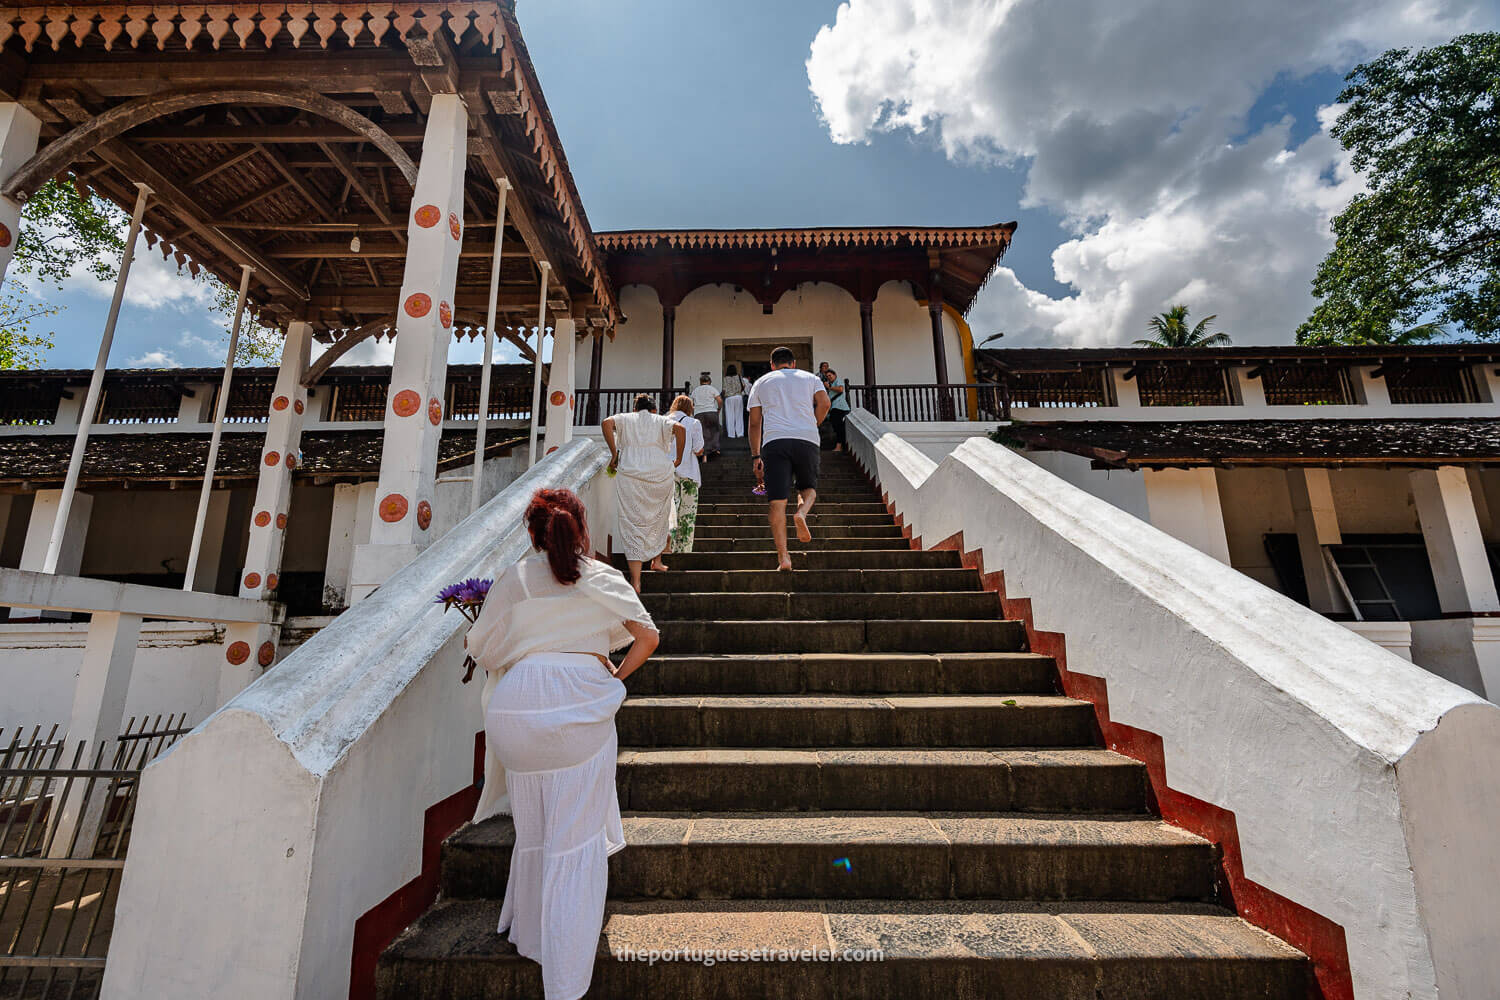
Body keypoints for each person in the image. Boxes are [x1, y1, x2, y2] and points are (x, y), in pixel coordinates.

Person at [467, 488, 659, 1000]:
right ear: (580, 528)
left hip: (516, 711)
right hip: (576, 703)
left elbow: (480, 646)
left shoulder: (517, 578)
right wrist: (615, 674)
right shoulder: (603, 577)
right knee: (573, 843)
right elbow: (648, 637)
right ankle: (565, 976)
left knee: (534, 830)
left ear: (533, 533)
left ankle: (530, 929)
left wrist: (526, 648)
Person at [748, 346, 830, 571]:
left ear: (772, 365)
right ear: (793, 364)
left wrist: (756, 456)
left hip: (775, 442)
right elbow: (825, 404)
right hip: (806, 439)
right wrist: (813, 424)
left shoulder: (761, 382)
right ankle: (801, 513)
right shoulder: (810, 377)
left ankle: (784, 557)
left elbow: (755, 423)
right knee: (808, 489)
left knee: (777, 502)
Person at [601, 394, 686, 592]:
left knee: (633, 524)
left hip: (630, 474)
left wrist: (614, 454)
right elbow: (681, 429)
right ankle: (656, 560)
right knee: (659, 517)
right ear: (654, 409)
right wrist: (679, 457)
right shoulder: (662, 420)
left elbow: (606, 423)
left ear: (635, 409)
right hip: (659, 472)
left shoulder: (626, 418)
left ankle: (636, 581)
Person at [666, 395, 705, 553]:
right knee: (687, 515)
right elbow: (698, 449)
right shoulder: (693, 423)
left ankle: (668, 548)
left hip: (667, 472)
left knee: (669, 513)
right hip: (688, 472)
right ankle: (684, 551)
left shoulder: (662, 421)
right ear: (690, 408)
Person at [690, 374, 723, 457]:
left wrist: (694, 412)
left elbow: (690, 403)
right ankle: (715, 449)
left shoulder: (695, 390)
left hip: (699, 413)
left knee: (702, 433)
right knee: (715, 430)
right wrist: (718, 409)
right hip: (711, 411)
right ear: (709, 381)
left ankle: (704, 454)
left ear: (700, 382)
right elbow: (719, 400)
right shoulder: (712, 389)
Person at [823, 368, 851, 452]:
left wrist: (829, 387)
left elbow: (840, 389)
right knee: (837, 427)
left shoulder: (838, 381)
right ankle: (840, 445)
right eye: (827, 376)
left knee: (838, 427)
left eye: (830, 375)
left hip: (840, 407)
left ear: (834, 375)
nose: (829, 377)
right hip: (834, 408)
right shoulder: (830, 385)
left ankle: (839, 446)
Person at [721, 365, 748, 439]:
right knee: (739, 416)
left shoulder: (725, 379)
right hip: (738, 397)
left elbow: (724, 389)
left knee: (730, 416)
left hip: (729, 398)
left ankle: (731, 434)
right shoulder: (739, 377)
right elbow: (743, 386)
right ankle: (740, 433)